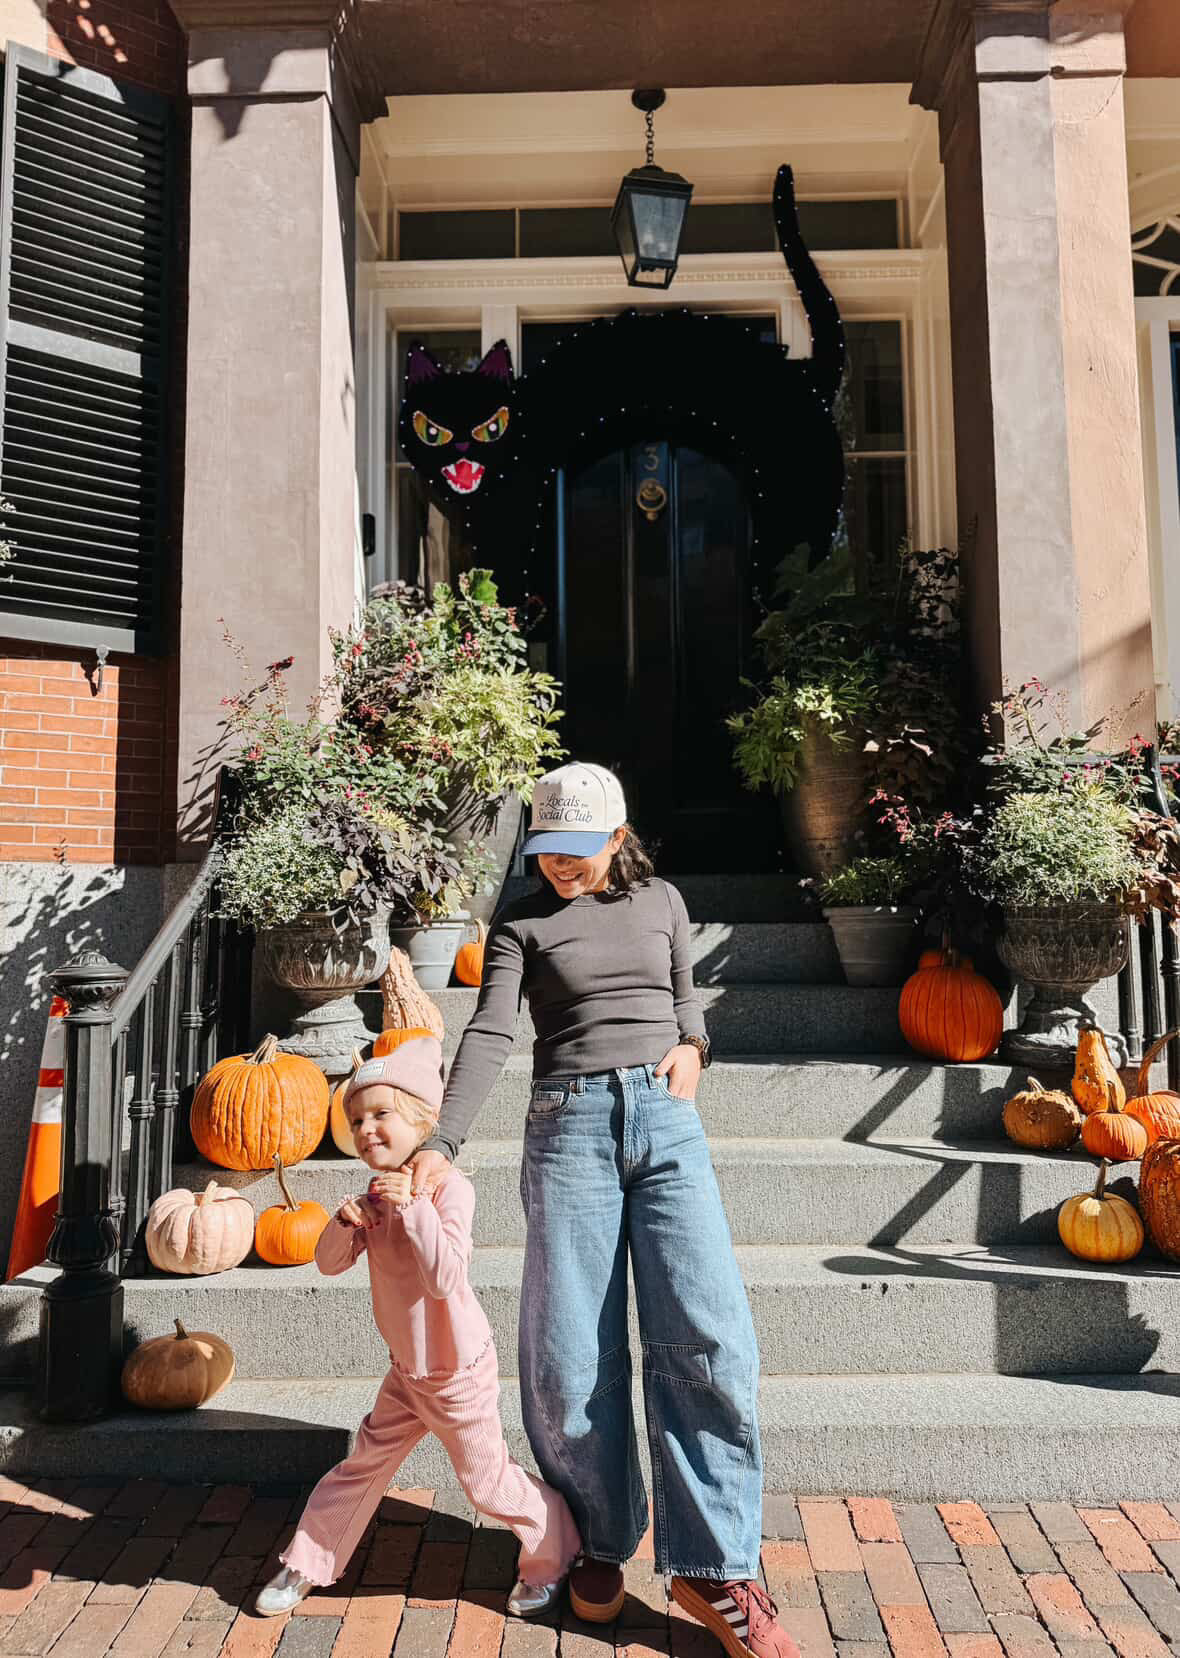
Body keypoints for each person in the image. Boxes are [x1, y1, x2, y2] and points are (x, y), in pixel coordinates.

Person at [409, 762, 799, 1658]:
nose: (559, 867)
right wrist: (443, 1140)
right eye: (546, 852)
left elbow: (685, 998)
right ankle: (594, 1536)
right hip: (568, 1124)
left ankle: (713, 1566)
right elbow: (492, 1032)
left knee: (710, 1334)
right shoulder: (520, 922)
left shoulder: (663, 900)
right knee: (568, 1353)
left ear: (619, 839)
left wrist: (695, 1045)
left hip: (666, 1124)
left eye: (577, 853)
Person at [255, 1037, 580, 1619]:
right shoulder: (371, 1197)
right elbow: (328, 1264)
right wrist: (343, 1222)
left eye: (382, 1114)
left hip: (457, 1373)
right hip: (407, 1373)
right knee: (361, 1464)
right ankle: (307, 1561)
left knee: (485, 1484)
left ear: (423, 1119)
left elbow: (445, 1276)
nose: (366, 1128)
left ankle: (554, 1548)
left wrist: (411, 1207)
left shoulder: (449, 1190)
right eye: (356, 1119)